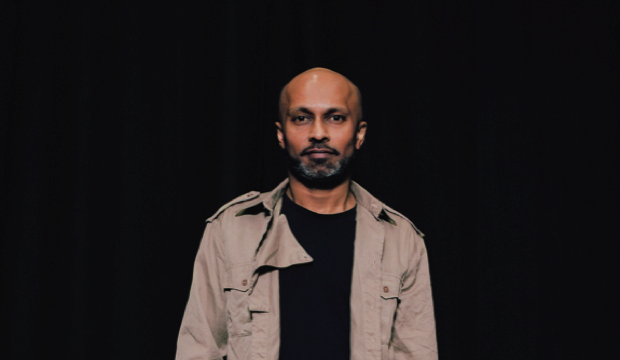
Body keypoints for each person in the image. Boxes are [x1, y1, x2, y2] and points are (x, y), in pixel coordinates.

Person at [176, 68, 438, 360]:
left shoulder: (400, 238)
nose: (318, 133)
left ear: (360, 134)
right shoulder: (231, 229)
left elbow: (417, 353)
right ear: (281, 134)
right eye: (301, 118)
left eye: (335, 118)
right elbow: (199, 348)